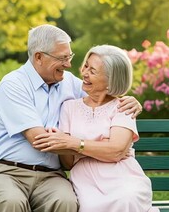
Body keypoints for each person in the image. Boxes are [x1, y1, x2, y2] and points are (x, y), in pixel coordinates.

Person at [0, 25, 142, 212]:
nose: (68, 64)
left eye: (69, 57)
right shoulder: (13, 85)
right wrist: (87, 144)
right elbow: (39, 140)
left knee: (66, 202)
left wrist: (131, 101)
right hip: (7, 172)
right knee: (11, 202)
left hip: (50, 176)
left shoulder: (69, 82)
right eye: (62, 58)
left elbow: (103, 93)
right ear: (39, 57)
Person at [33, 45, 159, 212]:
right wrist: (97, 145)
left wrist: (73, 143)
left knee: (126, 198)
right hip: (85, 178)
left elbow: (115, 152)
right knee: (91, 206)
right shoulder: (69, 107)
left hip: (123, 175)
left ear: (111, 80)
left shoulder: (123, 107)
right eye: (86, 66)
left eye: (92, 71)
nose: (84, 73)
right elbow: (68, 161)